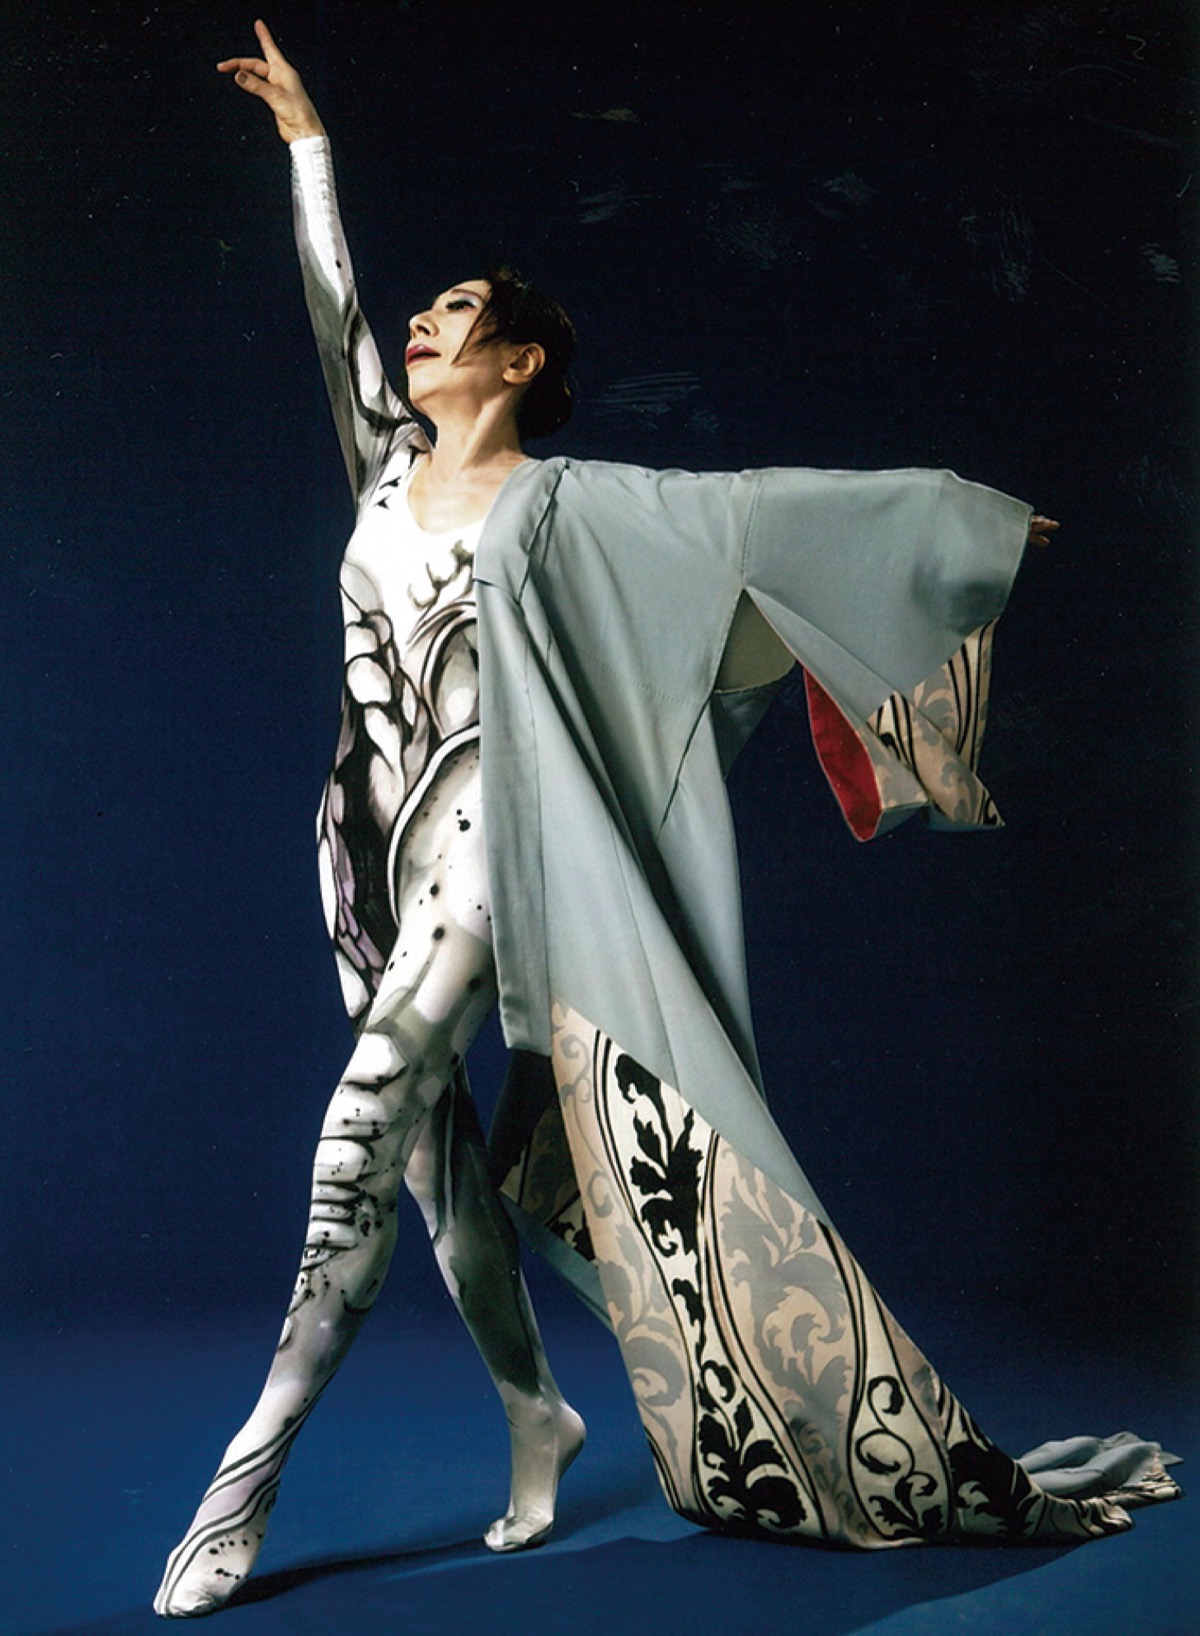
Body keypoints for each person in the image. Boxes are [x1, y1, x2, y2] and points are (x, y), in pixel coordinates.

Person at [155, 19, 1178, 1620]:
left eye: (457, 313)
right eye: (426, 313)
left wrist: (956, 532)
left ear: (521, 365)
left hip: (485, 847)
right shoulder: (383, 471)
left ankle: (243, 1485)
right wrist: (308, 150)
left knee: (357, 1137)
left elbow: (755, 520)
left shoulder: (567, 508)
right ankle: (537, 1416)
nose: (422, 325)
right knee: (434, 1175)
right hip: (358, 853)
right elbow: (334, 312)